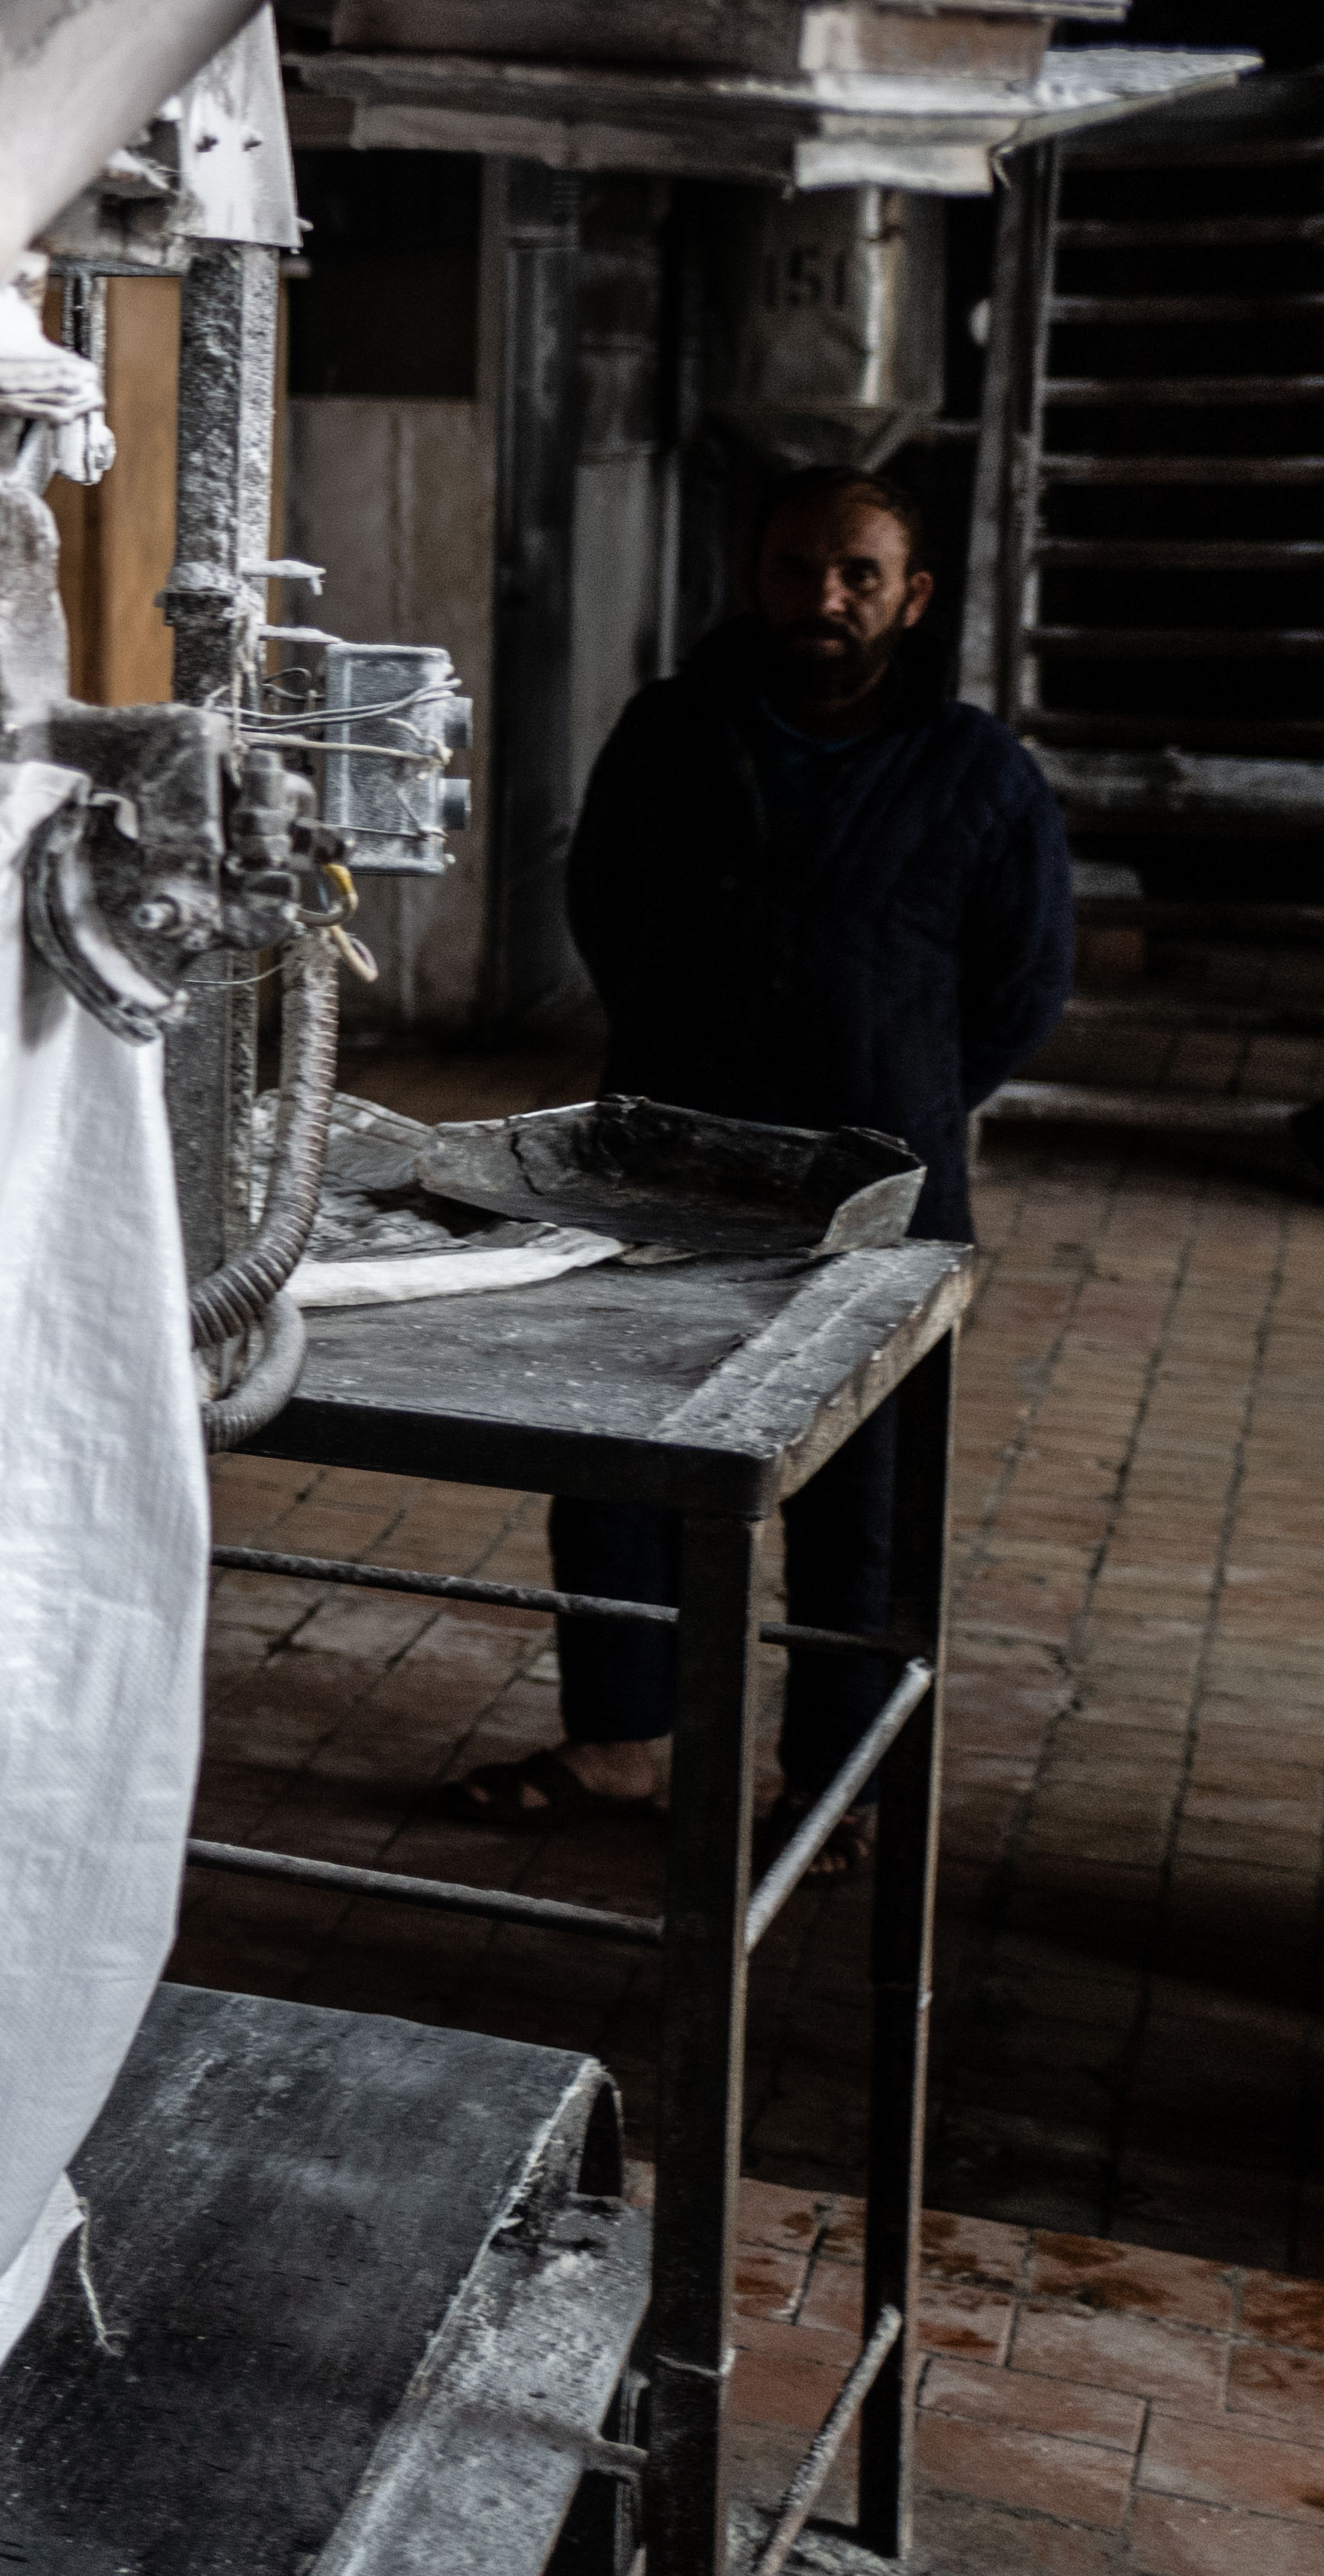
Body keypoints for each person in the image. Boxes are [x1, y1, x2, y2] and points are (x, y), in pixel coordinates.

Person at [454, 465, 1070, 1834]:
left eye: (858, 576)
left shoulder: (978, 771)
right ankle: (623, 1738)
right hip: (663, 1166)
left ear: (910, 598)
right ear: (754, 576)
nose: (825, 599)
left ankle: (830, 1780)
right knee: (618, 1456)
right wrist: (696, 1066)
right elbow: (602, 908)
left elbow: (1023, 983)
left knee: (859, 1491)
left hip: (881, 1195)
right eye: (798, 568)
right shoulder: (671, 731)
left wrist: (892, 1092)